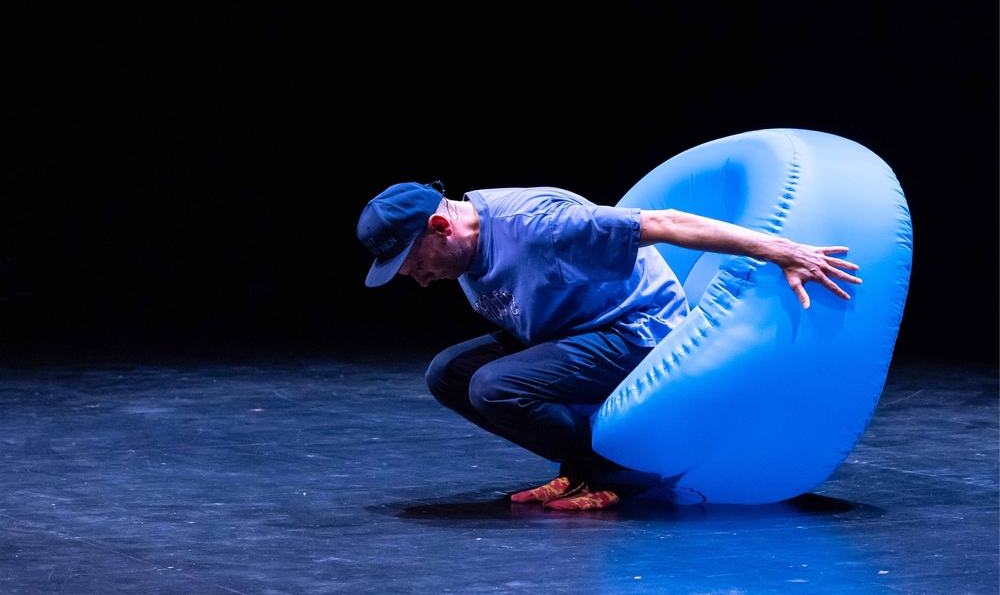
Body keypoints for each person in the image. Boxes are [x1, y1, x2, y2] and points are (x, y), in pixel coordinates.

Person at [357, 180, 861, 511]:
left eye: (416, 264)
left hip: (636, 330)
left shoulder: (538, 227)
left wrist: (782, 250)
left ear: (440, 227)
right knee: (448, 374)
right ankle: (581, 469)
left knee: (495, 386)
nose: (420, 280)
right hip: (572, 330)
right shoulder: (466, 242)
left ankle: (622, 473)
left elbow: (667, 222)